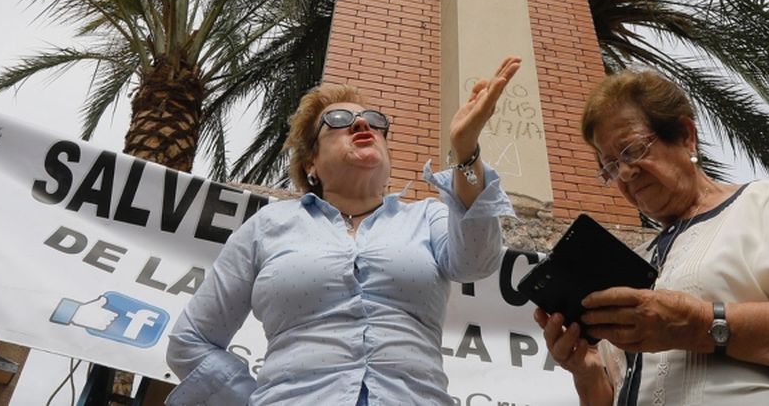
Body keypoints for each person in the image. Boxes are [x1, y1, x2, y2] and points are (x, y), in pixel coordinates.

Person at [167, 57, 521, 405]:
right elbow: (191, 340)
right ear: (311, 164)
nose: (361, 125)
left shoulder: (426, 217)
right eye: (338, 120)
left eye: (374, 121)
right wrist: (256, 399)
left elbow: (477, 262)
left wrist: (466, 152)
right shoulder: (265, 228)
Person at [535, 69, 769, 405]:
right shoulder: (638, 261)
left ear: (686, 135)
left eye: (632, 150)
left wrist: (701, 325)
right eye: (610, 166)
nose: (625, 173)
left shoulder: (764, 204)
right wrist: (586, 373)